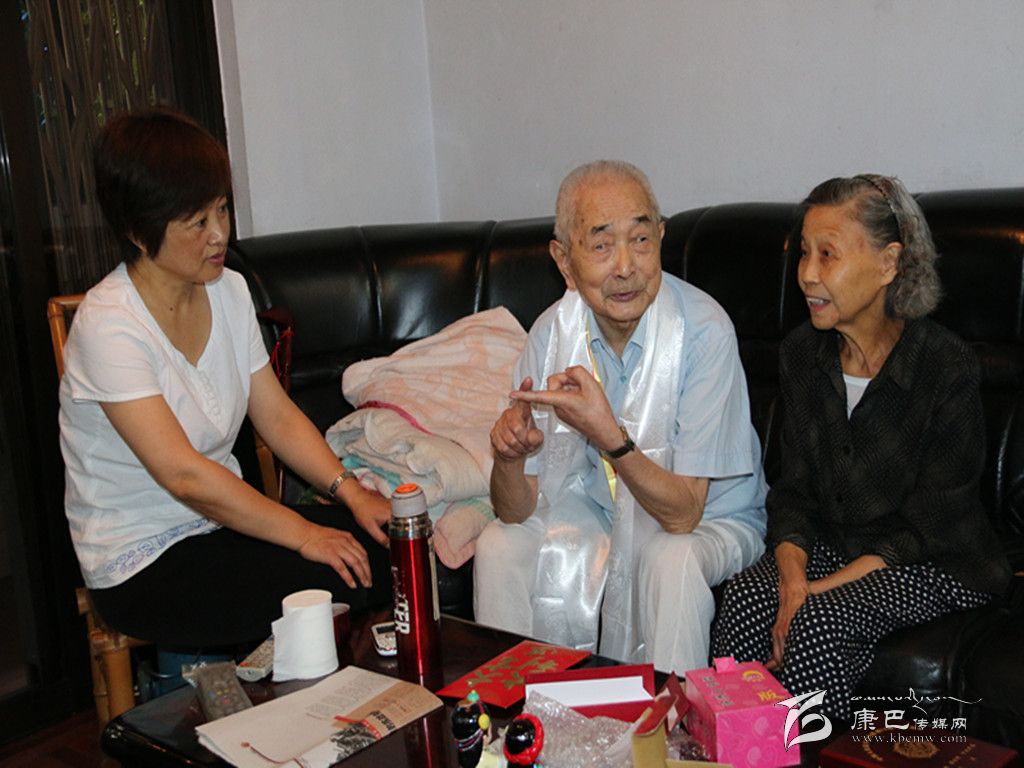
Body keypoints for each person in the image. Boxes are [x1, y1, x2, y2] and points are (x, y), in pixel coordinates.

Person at [59, 107, 392, 648]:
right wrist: (305, 533)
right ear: (138, 232)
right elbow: (183, 476)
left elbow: (276, 415)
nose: (219, 235)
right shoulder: (109, 324)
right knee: (325, 580)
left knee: (387, 547)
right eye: (197, 222)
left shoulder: (229, 290)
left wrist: (350, 493)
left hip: (223, 526)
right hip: (143, 561)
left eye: (222, 209)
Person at [711, 174, 1012, 721]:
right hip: (837, 544)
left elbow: (925, 527)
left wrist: (814, 593)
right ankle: (732, 748)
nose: (807, 274)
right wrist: (792, 579)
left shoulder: (944, 367)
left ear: (888, 263)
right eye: (804, 253)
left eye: (828, 255)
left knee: (818, 622)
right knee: (746, 598)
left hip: (936, 560)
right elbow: (794, 493)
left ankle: (805, 752)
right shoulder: (803, 354)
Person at [474, 160, 767, 674]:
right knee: (499, 543)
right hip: (599, 511)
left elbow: (683, 515)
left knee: (669, 559)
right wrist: (508, 458)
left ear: (661, 239)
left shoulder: (705, 333)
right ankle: (519, 712)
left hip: (711, 521)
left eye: (641, 239)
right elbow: (514, 511)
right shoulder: (550, 335)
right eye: (602, 245)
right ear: (564, 261)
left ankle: (671, 720)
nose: (626, 267)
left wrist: (609, 434)